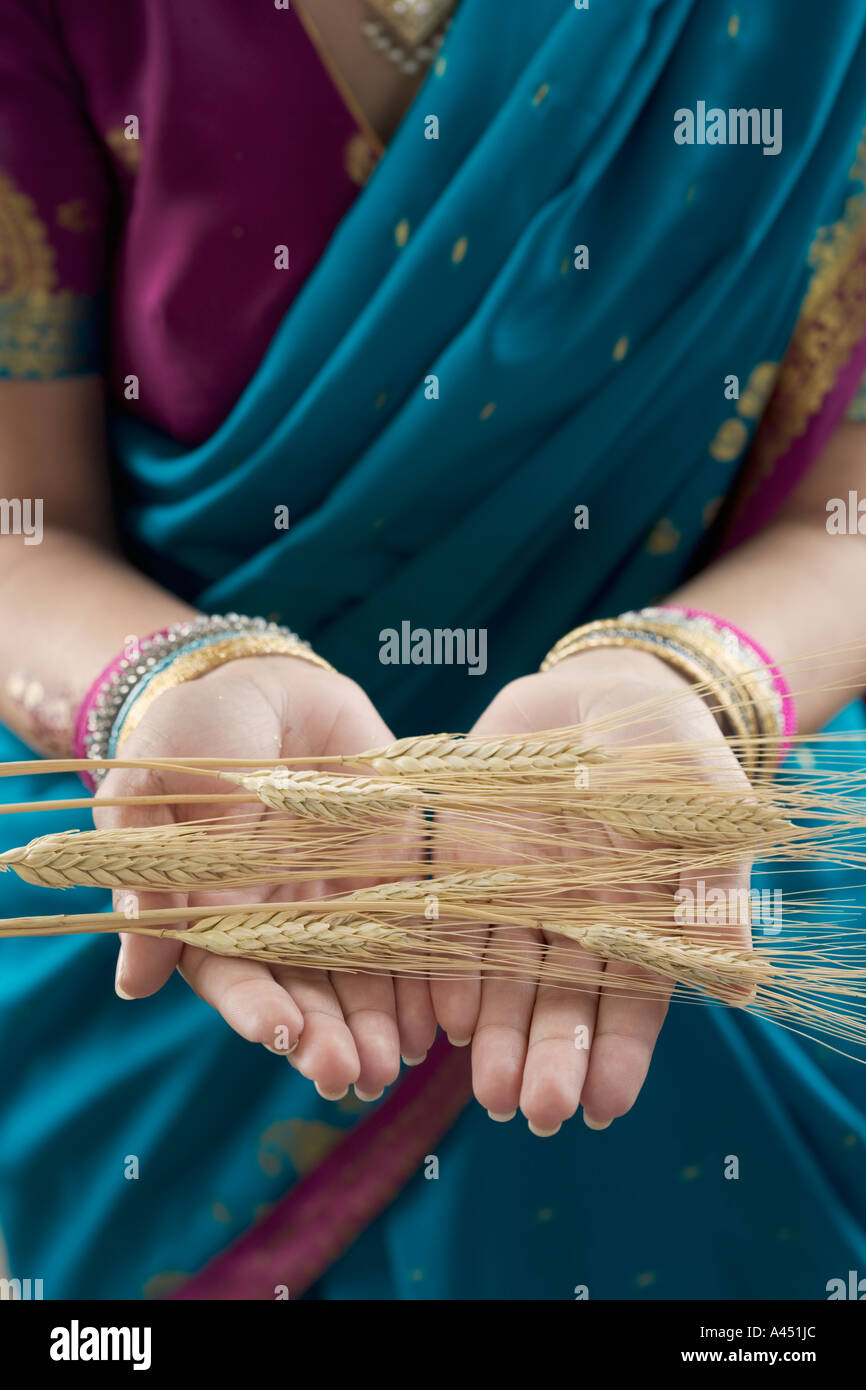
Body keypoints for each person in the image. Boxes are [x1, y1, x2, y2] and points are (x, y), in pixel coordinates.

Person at [1, 0, 865, 1300]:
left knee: (726, 1018)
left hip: (695, 782)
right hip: (204, 816)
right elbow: (25, 522)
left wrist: (695, 680)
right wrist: (164, 682)